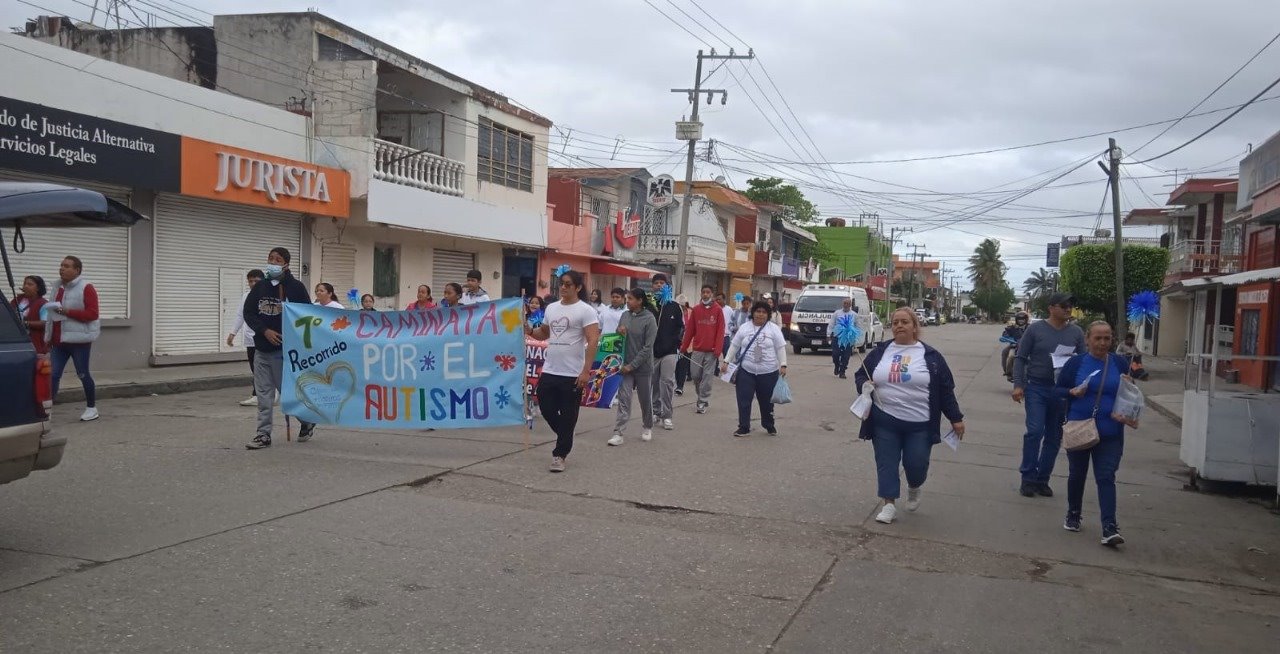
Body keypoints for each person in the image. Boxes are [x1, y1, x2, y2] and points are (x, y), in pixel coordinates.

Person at [855, 308, 965, 525]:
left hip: (920, 424)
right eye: (895, 322)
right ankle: (888, 504)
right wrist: (864, 385)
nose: (899, 326)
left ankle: (914, 487)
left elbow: (945, 390)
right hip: (884, 419)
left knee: (916, 464)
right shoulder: (880, 351)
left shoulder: (931, 357)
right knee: (886, 462)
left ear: (915, 326)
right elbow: (861, 375)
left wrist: (956, 418)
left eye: (905, 322)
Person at [1057, 321, 1137, 546]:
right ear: (1087, 339)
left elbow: (1128, 395)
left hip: (1110, 432)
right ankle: (1073, 514)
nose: (1102, 343)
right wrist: (1072, 392)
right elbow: (1058, 391)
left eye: (1107, 338)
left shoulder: (1120, 363)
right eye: (1098, 338)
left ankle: (1109, 527)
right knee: (1077, 474)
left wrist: (1129, 391)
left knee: (1106, 477)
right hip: (1080, 429)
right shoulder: (1076, 363)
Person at [1012, 292, 1085, 498]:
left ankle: (1042, 479)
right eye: (1063, 305)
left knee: (1054, 437)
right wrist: (1019, 384)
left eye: (1070, 305)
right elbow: (1020, 357)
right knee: (1035, 431)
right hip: (1037, 387)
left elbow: (1083, 361)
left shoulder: (1076, 333)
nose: (1068, 309)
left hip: (1062, 391)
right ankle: (1027, 478)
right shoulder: (1035, 330)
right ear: (1051, 308)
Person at [526, 269, 600, 472]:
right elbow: (544, 333)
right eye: (561, 283)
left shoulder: (586, 310)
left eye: (568, 284)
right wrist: (530, 330)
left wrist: (586, 371)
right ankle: (565, 435)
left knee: (568, 415)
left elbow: (593, 340)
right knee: (546, 406)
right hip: (551, 369)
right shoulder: (551, 308)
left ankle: (560, 454)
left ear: (578, 287)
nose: (563, 287)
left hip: (573, 372)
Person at [243, 247, 316, 449]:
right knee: (264, 396)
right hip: (261, 350)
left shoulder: (296, 287)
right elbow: (249, 313)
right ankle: (263, 434)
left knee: (289, 395)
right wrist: (264, 330)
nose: (273, 262)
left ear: (286, 263)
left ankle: (306, 421)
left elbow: (306, 316)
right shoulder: (260, 287)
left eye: (278, 259)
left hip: (283, 353)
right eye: (270, 258)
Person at [722, 300, 788, 437]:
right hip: (746, 371)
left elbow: (780, 348)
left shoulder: (773, 329)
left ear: (768, 315)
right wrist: (726, 361)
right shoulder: (745, 328)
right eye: (758, 311)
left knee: (766, 402)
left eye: (764, 312)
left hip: (768, 372)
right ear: (753, 313)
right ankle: (744, 427)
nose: (761, 315)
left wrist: (783, 364)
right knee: (743, 400)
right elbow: (734, 345)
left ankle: (769, 424)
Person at [48, 256, 101, 422]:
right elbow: (53, 316)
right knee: (53, 375)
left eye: (67, 266)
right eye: (61, 265)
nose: (62, 268)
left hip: (79, 341)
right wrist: (48, 336)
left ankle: (91, 408)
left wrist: (67, 312)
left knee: (83, 374)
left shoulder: (86, 287)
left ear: (77, 270)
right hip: (59, 341)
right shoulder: (57, 288)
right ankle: (47, 409)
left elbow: (93, 314)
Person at [609, 288, 657, 446]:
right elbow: (618, 337)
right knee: (624, 399)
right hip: (625, 366)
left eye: (630, 298)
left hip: (642, 367)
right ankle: (618, 432)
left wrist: (632, 365)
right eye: (627, 298)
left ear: (640, 300)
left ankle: (647, 426)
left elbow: (648, 347)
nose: (627, 301)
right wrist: (619, 330)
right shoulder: (624, 315)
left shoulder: (649, 319)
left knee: (645, 399)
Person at [681, 284, 726, 415]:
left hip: (711, 351)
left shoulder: (718, 310)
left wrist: (718, 349)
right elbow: (690, 330)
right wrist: (683, 347)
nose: (705, 294)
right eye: (703, 292)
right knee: (695, 375)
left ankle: (702, 401)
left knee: (707, 376)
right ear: (701, 294)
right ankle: (701, 395)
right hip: (698, 349)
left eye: (708, 292)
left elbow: (720, 330)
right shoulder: (695, 310)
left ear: (711, 294)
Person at [649, 273, 684, 431]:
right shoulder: (648, 304)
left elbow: (680, 328)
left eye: (662, 283)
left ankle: (667, 415)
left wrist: (676, 344)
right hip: (651, 351)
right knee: (654, 383)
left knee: (667, 382)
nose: (659, 285)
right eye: (656, 283)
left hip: (669, 351)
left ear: (668, 285)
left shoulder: (674, 306)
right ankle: (656, 411)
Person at [226, 269, 265, 407]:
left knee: (263, 368)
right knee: (255, 368)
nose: (253, 283)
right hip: (250, 340)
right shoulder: (246, 296)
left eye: (256, 281)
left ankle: (259, 395)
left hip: (265, 339)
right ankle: (260, 394)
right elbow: (240, 315)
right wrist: (232, 333)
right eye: (250, 281)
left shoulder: (268, 296)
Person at [12, 275, 48, 354]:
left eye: (30, 284)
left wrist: (26, 323)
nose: (26, 286)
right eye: (25, 284)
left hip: (34, 344)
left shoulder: (43, 304)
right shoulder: (17, 300)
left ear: (38, 288)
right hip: (15, 342)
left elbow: (45, 323)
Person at [828, 298, 858, 379]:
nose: (845, 305)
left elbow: (856, 327)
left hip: (848, 338)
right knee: (835, 354)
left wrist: (854, 339)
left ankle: (842, 372)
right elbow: (831, 324)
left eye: (847, 303)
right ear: (842, 304)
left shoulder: (854, 315)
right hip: (837, 336)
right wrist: (828, 335)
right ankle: (837, 365)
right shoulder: (837, 313)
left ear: (850, 305)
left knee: (846, 356)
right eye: (844, 303)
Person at [1001, 311, 1030, 381]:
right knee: (1009, 355)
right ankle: (1008, 373)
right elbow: (1005, 333)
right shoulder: (1013, 327)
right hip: (1014, 346)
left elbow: (1036, 335)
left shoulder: (1030, 328)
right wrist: (1006, 336)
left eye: (1023, 319)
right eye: (1019, 319)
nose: (1021, 321)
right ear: (1016, 319)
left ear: (1026, 319)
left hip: (1028, 347)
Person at [673, 296, 692, 396]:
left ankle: (680, 386)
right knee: (677, 363)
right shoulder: (675, 313)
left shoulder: (691, 313)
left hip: (688, 342)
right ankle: (677, 384)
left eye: (681, 305)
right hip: (676, 341)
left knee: (683, 364)